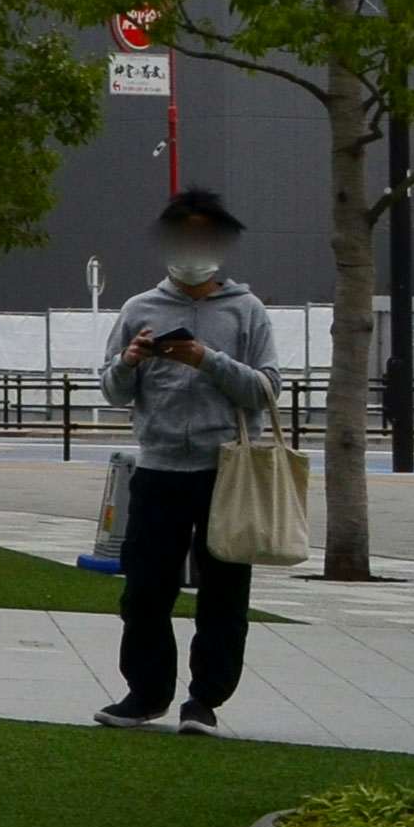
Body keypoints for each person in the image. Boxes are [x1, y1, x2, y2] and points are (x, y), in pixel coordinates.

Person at [93, 188, 281, 735]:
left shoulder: (246, 310)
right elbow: (112, 391)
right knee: (145, 590)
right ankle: (146, 693)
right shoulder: (139, 308)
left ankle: (205, 700)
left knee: (224, 593)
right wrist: (128, 361)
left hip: (227, 472)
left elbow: (266, 389)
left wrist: (208, 360)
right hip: (157, 469)